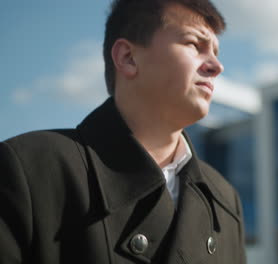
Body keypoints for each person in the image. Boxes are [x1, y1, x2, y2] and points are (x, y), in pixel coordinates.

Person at [0, 0, 246, 263]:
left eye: (216, 52)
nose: (216, 66)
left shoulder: (224, 200)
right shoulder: (30, 169)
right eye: (194, 45)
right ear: (128, 58)